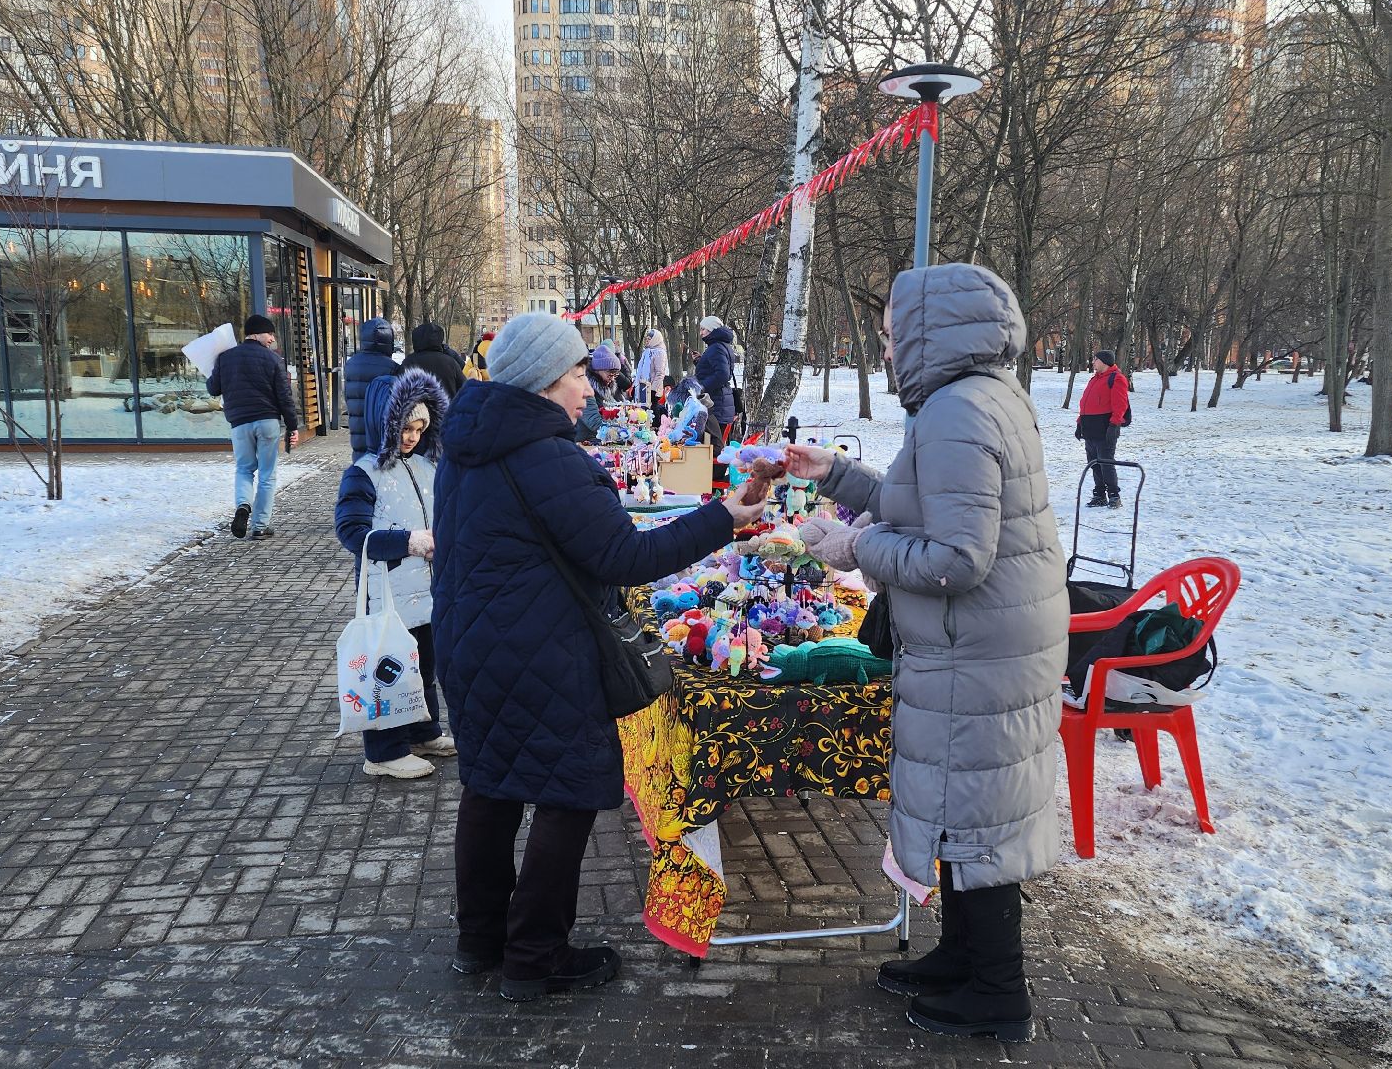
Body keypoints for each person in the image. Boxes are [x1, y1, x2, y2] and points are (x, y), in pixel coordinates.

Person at [431, 311, 767, 1003]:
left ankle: (481, 941)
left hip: (471, 649)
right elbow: (628, 557)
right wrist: (723, 517)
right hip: (541, 656)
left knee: (490, 788)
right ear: (543, 380)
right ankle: (534, 956)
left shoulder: (465, 444)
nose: (591, 384)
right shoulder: (549, 458)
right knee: (567, 794)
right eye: (579, 371)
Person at [785, 263, 1066, 1044]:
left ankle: (998, 994)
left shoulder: (955, 412)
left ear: (930, 332)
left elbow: (956, 559)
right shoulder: (980, 398)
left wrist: (854, 547)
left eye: (888, 335)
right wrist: (838, 475)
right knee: (964, 809)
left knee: (976, 818)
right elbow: (933, 503)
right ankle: (963, 959)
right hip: (987, 645)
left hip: (977, 651)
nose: (885, 349)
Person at [333, 369, 456, 778]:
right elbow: (352, 532)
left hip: (428, 589)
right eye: (405, 427)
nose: (411, 437)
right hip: (387, 593)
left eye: (420, 428)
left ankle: (422, 729)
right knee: (389, 668)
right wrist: (407, 542)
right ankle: (383, 751)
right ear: (385, 423)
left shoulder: (425, 466)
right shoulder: (363, 472)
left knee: (422, 665)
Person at [207, 315, 301, 540]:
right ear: (257, 333)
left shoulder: (225, 357)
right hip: (267, 422)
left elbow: (213, 389)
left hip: (239, 424)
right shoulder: (273, 360)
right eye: (269, 334)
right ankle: (260, 526)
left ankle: (242, 506)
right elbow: (284, 396)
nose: (272, 339)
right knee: (268, 474)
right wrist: (292, 426)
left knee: (244, 469)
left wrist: (216, 367)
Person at [1075, 349, 1132, 508]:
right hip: (1090, 429)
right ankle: (1099, 495)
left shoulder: (1117, 379)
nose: (1093, 362)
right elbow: (1085, 404)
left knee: (1106, 464)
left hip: (1105, 429)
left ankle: (1114, 496)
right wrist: (1080, 423)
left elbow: (1120, 405)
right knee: (1094, 464)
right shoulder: (1094, 379)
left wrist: (1114, 425)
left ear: (1105, 361)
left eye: (1096, 359)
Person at [344, 317, 400, 457]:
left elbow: (348, 396)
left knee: (361, 463)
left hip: (357, 429)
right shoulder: (392, 367)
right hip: (379, 433)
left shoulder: (351, 364)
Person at [694, 316, 738, 438]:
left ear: (712, 330)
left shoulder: (716, 347)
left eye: (703, 329)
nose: (701, 333)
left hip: (717, 403)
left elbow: (722, 375)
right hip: (720, 401)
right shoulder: (719, 345)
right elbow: (716, 369)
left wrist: (701, 387)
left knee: (715, 447)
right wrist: (700, 361)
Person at [404, 321, 467, 399]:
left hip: (416, 409)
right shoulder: (450, 363)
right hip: (447, 408)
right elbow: (465, 389)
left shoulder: (408, 362)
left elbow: (397, 391)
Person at [575, 343, 623, 444]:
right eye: (610, 374)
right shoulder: (586, 389)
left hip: (597, 438)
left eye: (615, 374)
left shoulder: (606, 387)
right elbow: (594, 422)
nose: (612, 378)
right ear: (598, 370)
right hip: (586, 440)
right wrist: (620, 433)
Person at [634, 328, 669, 413]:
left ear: (655, 340)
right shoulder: (647, 352)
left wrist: (653, 390)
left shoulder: (659, 353)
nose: (647, 341)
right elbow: (640, 371)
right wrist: (636, 385)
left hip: (653, 390)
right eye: (647, 339)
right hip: (644, 387)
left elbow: (660, 373)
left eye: (649, 339)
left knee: (652, 412)